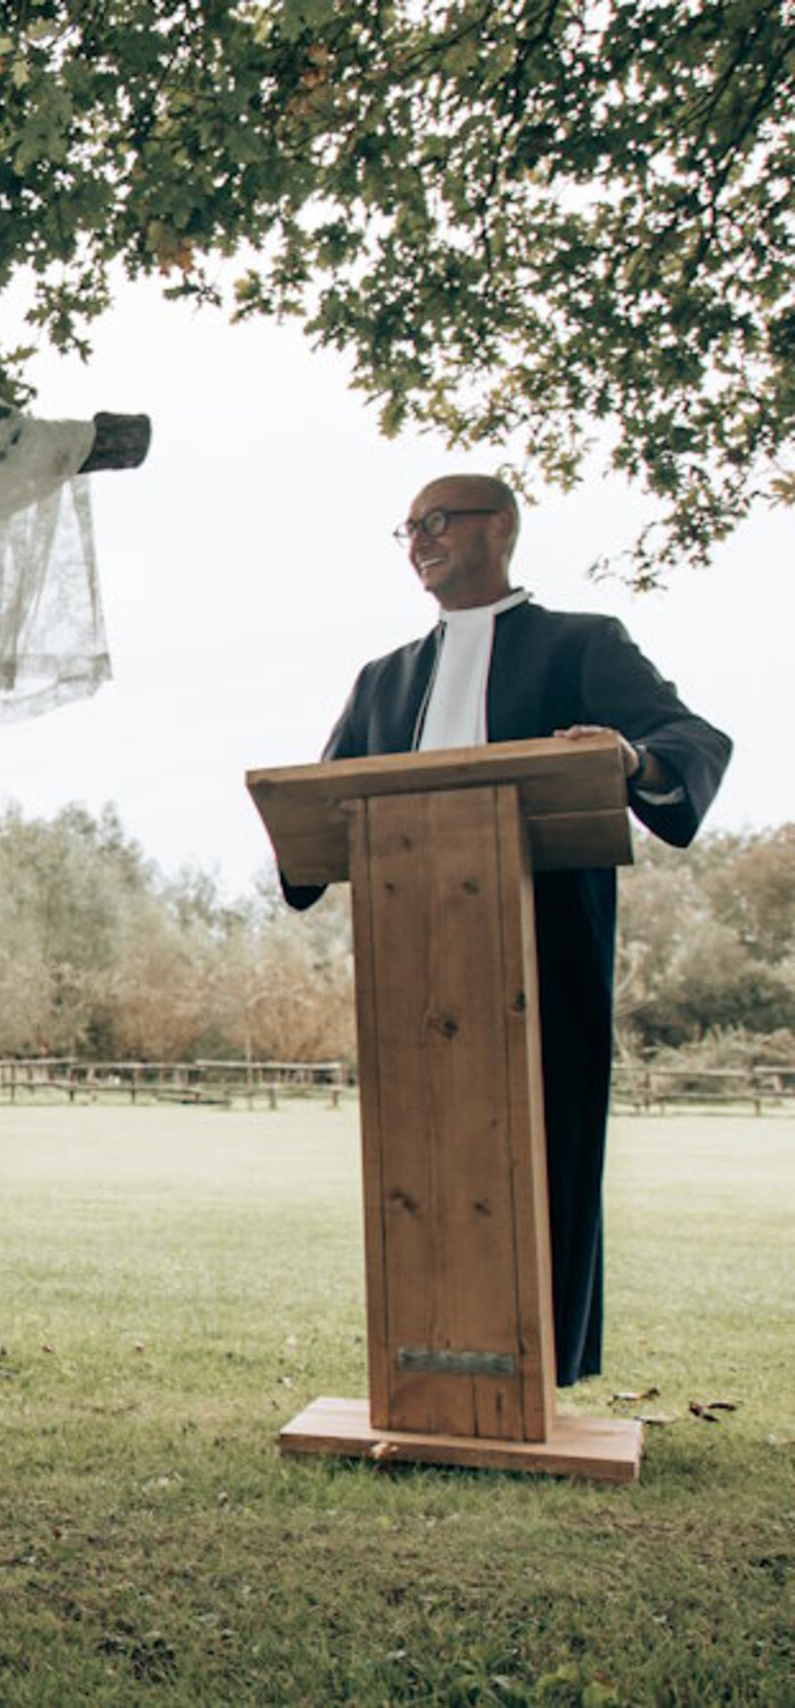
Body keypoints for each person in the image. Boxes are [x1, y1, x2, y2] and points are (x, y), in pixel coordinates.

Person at [285, 472, 731, 1387]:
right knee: (416, 1164)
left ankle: (538, 1370)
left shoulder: (582, 645)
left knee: (546, 1149)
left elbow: (688, 741)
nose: (419, 540)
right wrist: (300, 840)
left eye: (438, 521)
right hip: (413, 969)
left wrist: (632, 758)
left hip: (547, 956)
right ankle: (423, 1367)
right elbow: (324, 805)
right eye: (408, 528)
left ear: (502, 529)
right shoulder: (383, 681)